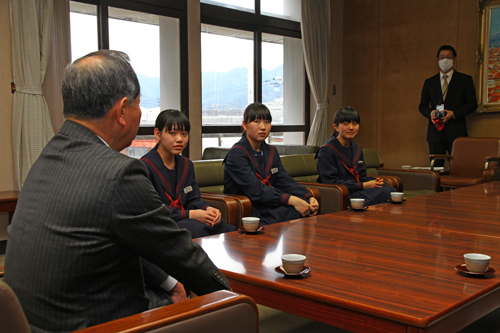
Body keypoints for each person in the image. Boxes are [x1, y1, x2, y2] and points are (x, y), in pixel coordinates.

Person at [3, 50, 230, 333]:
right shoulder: (121, 172)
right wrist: (233, 299)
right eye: (138, 105)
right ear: (122, 110)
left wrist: (169, 282)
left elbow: (116, 236)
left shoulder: (47, 156)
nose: (138, 113)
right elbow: (181, 254)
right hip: (94, 322)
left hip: (31, 321)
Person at [141, 109, 236, 238]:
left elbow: (193, 199)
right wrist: (191, 214)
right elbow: (152, 210)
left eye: (184, 134)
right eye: (172, 133)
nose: (179, 139)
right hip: (159, 225)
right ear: (158, 134)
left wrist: (206, 209)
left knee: (217, 223)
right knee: (196, 228)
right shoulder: (145, 166)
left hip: (184, 220)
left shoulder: (186, 165)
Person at [223, 102, 319, 225]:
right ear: (245, 125)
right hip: (248, 208)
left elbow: (284, 180)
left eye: (267, 122)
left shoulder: (272, 152)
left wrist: (307, 196)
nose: (263, 127)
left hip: (269, 204)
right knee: (292, 212)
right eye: (257, 121)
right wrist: (292, 200)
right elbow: (256, 190)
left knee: (304, 210)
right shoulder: (236, 154)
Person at [316, 106, 396, 206]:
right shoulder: (326, 151)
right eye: (346, 123)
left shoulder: (357, 148)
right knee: (385, 195)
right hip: (340, 194)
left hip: (357, 191)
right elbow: (330, 183)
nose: (351, 127)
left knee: (390, 190)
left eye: (355, 123)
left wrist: (374, 182)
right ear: (336, 127)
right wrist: (363, 185)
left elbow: (361, 177)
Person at [419, 45, 477, 166]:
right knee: (436, 171)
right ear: (437, 60)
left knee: (460, 167)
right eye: (442, 57)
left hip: (456, 131)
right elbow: (422, 106)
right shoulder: (429, 82)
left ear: (455, 59)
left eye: (449, 57)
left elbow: (472, 104)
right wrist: (431, 113)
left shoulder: (465, 80)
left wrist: (453, 114)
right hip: (435, 133)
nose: (445, 60)